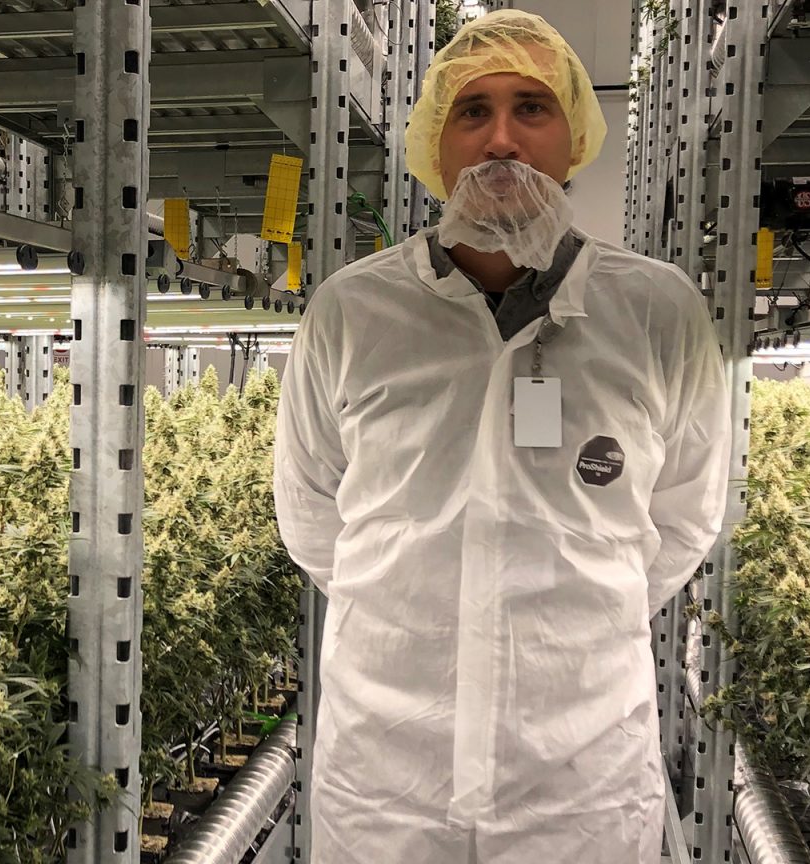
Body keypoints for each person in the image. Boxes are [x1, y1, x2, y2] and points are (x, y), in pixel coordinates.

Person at [272, 10, 730, 864]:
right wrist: (422, 604)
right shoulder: (352, 309)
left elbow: (684, 517)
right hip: (390, 779)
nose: (502, 140)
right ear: (436, 146)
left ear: (574, 138)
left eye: (532, 107)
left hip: (580, 779)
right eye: (473, 112)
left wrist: (565, 621)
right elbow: (311, 515)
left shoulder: (656, 310)